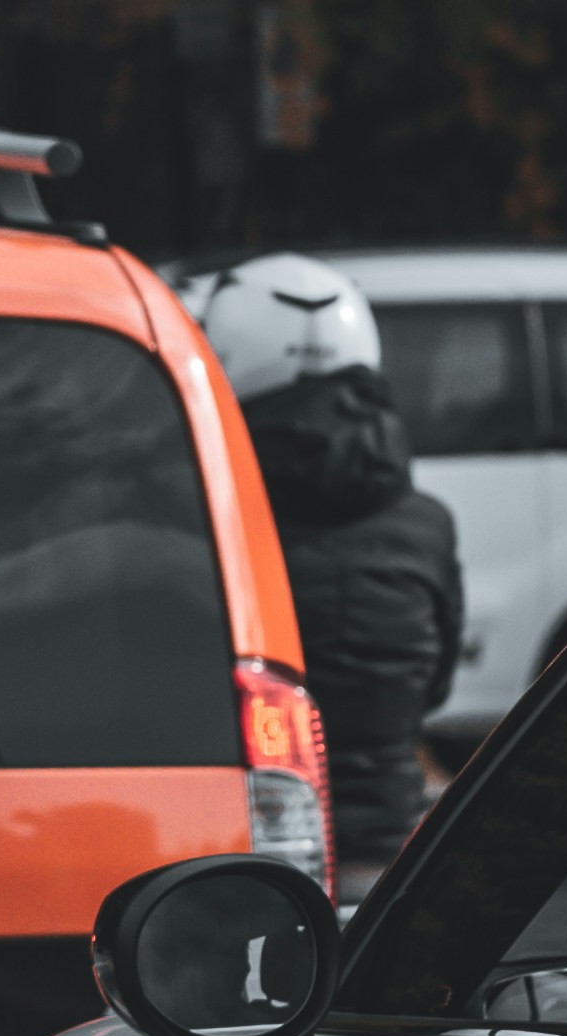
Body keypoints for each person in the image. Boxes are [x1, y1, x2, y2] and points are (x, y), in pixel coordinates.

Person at [179, 259, 461, 881]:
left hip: (250, 843)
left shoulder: (198, 515)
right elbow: (434, 686)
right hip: (388, 844)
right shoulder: (426, 523)